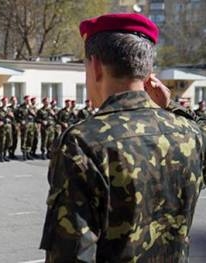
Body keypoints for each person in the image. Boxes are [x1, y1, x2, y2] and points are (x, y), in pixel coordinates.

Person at [40, 13, 205, 262]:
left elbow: (71, 252)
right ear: (148, 70)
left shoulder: (83, 141)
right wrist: (173, 105)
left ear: (95, 66)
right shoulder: (190, 134)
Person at [0, 96, 13, 162]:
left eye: (6, 101)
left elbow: (14, 119)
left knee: (9, 142)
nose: (5, 102)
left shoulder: (9, 109)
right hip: (2, 128)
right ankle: (1, 156)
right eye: (4, 101)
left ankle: (5, 154)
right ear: (2, 102)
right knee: (2, 142)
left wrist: (12, 116)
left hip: (9, 126)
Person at [16, 95, 36, 160]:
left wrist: (32, 112)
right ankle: (24, 153)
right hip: (24, 126)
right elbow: (17, 116)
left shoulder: (32, 107)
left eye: (29, 100)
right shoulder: (21, 107)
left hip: (31, 125)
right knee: (24, 139)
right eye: (27, 100)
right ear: (24, 100)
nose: (28, 101)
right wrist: (21, 121)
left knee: (30, 139)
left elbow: (36, 115)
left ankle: (28, 152)